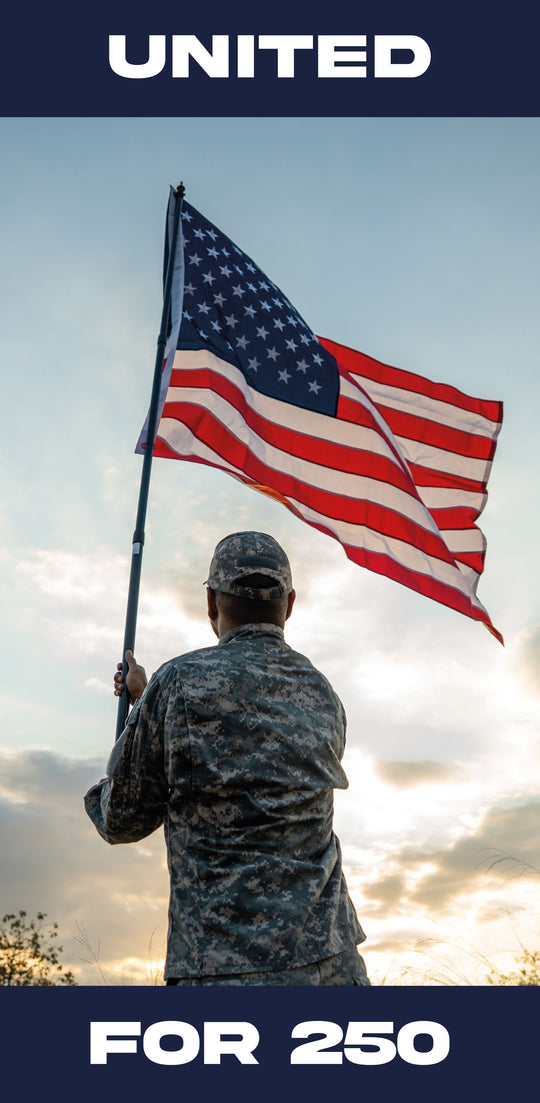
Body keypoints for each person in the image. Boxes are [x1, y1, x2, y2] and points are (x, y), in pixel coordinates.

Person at [84, 531, 370, 986]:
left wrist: (140, 714)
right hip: (333, 964)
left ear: (212, 602)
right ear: (289, 604)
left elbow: (122, 820)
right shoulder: (323, 693)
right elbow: (259, 757)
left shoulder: (177, 683)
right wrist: (148, 704)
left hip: (223, 969)